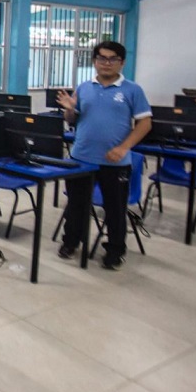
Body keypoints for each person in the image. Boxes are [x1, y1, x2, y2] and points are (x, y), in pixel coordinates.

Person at [56, 41, 151, 270]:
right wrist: (69, 109)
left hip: (115, 162)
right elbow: (72, 120)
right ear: (94, 61)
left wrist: (124, 147)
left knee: (115, 209)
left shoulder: (132, 90)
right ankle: (71, 242)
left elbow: (145, 123)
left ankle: (115, 251)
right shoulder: (85, 87)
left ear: (122, 62)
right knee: (76, 205)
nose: (106, 63)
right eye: (101, 58)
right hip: (81, 158)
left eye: (112, 59)